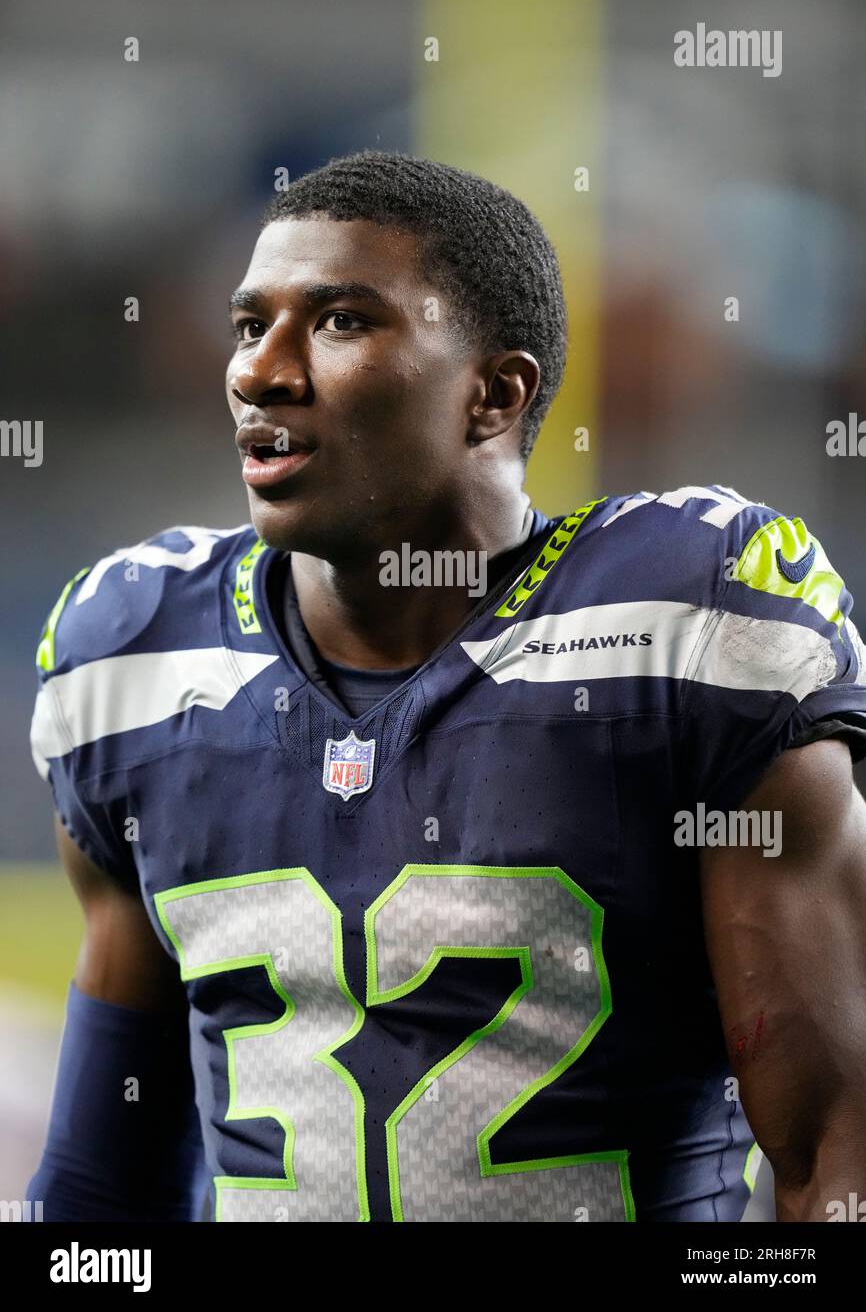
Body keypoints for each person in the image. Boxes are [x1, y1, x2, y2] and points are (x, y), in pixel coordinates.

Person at [27, 150, 866, 1222]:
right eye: (250, 326)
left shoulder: (675, 631)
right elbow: (102, 1191)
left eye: (338, 322)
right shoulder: (135, 661)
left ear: (492, 394)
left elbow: (830, 1161)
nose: (260, 372)